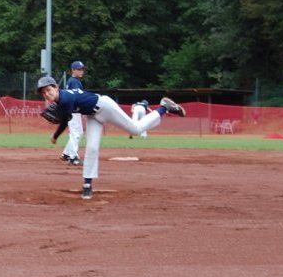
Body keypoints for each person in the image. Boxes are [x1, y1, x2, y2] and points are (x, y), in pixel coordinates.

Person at [37, 76, 186, 200]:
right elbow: (65, 116)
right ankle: (87, 184)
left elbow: (65, 121)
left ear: (56, 87)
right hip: (93, 115)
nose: (47, 94)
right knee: (92, 148)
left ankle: (164, 107)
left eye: (49, 89)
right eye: (44, 93)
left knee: (136, 129)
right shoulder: (61, 99)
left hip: (105, 107)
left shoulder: (65, 98)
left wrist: (55, 136)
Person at [60, 61, 86, 165]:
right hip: (74, 112)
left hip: (72, 111)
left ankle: (66, 154)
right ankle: (73, 157)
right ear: (73, 70)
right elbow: (77, 97)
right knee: (76, 134)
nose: (81, 71)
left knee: (77, 133)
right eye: (79, 69)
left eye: (82, 69)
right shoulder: (74, 81)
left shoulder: (72, 81)